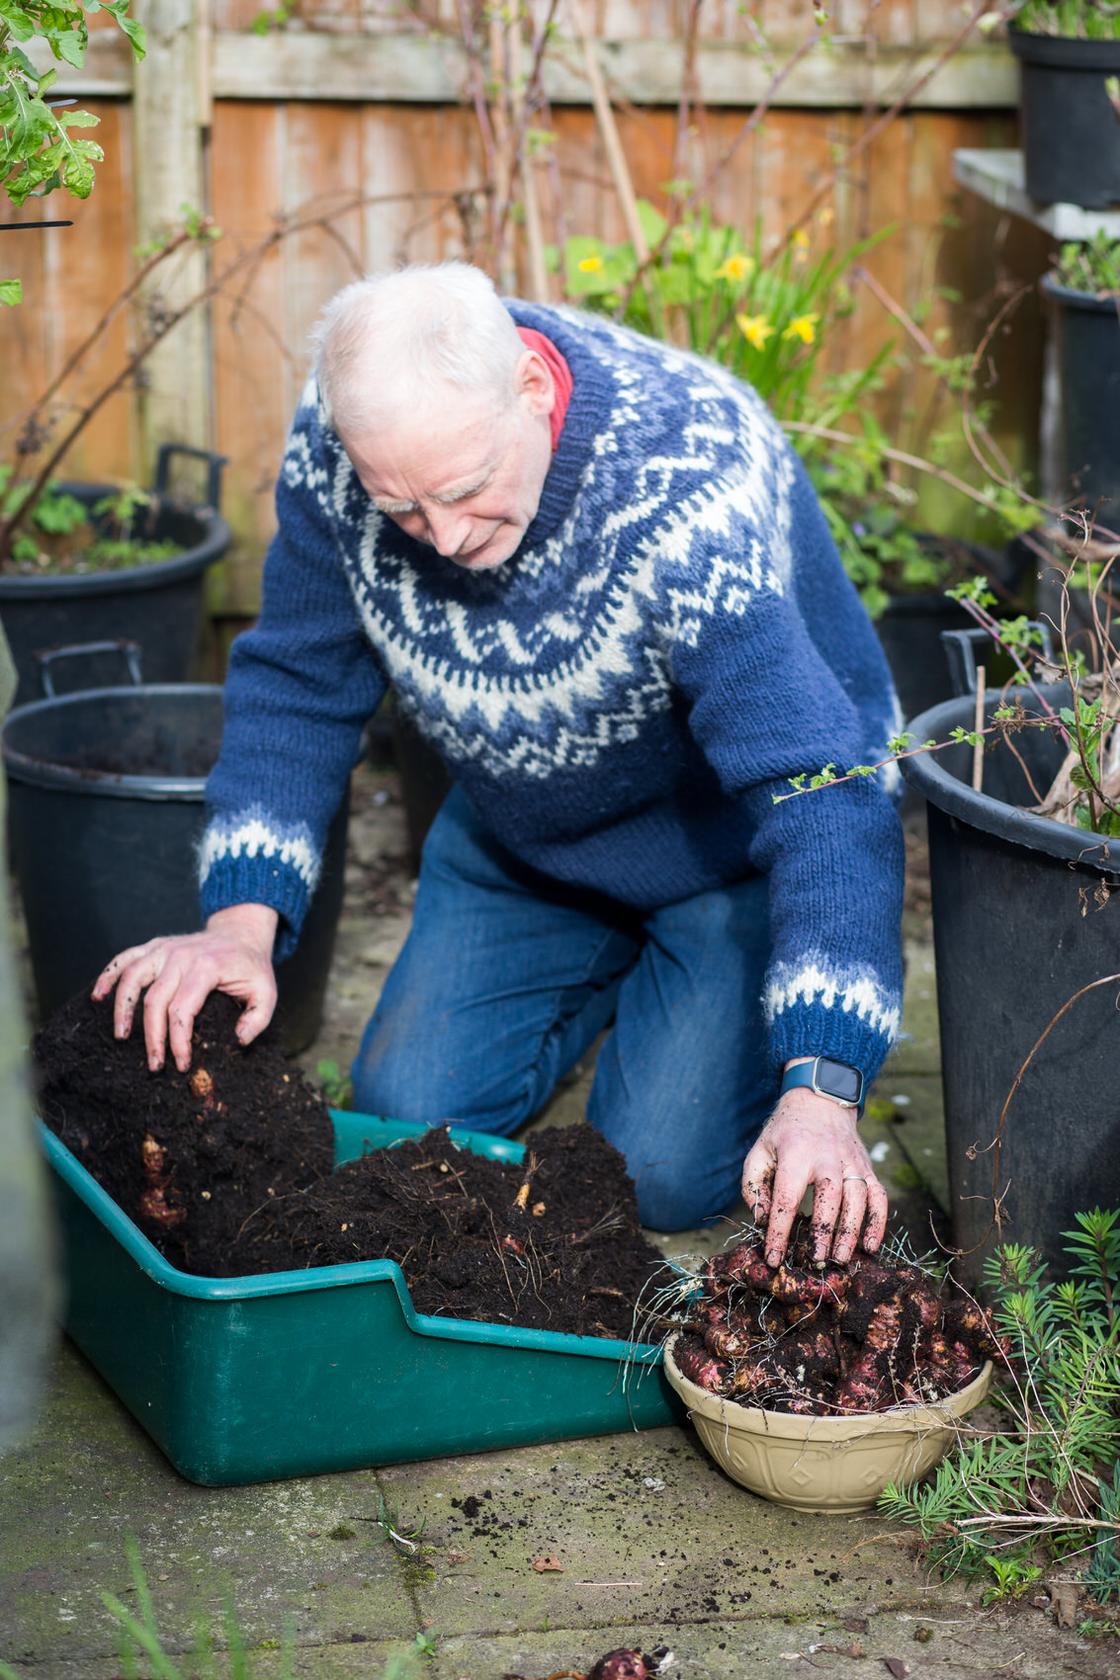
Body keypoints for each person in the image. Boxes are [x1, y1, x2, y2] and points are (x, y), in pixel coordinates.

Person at [94, 261, 905, 1265]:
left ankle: (686, 971)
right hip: (525, 827)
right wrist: (237, 929)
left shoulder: (685, 493)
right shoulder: (356, 439)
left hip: (726, 848)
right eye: (404, 510)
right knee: (403, 1118)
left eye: (467, 490)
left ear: (530, 387)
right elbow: (298, 681)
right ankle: (603, 962)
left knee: (660, 1175)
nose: (444, 537)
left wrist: (822, 1088)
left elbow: (822, 792)